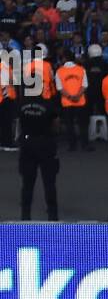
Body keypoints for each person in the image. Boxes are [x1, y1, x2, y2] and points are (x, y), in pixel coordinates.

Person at [19, 91, 60, 220]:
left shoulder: (21, 104)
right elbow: (56, 124)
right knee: (49, 182)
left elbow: (19, 122)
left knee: (27, 183)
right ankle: (53, 216)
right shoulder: (48, 104)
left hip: (27, 143)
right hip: (45, 143)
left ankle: (25, 216)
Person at [55, 56, 90, 150]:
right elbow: (85, 85)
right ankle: (85, 144)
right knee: (82, 124)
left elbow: (60, 88)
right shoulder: (81, 69)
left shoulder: (59, 71)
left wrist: (70, 97)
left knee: (69, 125)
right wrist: (78, 96)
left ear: (63, 59)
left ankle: (72, 145)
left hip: (67, 102)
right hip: (80, 101)